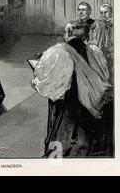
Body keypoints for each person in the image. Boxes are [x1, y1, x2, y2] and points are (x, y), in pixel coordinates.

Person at [31, 21, 113, 157]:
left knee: (66, 128)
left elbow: (48, 76)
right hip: (91, 99)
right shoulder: (94, 51)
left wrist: (36, 80)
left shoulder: (60, 50)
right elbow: (104, 74)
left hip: (69, 100)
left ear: (68, 33)